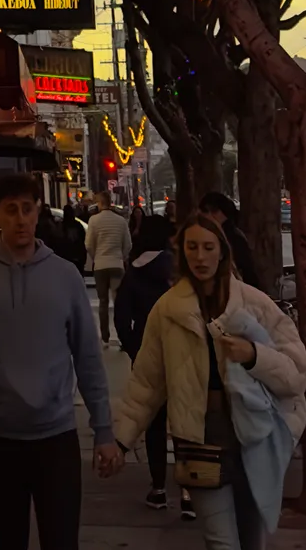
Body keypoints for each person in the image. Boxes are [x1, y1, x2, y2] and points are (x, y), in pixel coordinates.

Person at [0, 173, 124, 550]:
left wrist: (104, 430)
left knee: (61, 540)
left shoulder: (65, 276)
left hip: (56, 437)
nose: (21, 219)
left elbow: (88, 358)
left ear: (39, 211)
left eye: (27, 209)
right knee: (9, 540)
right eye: (11, 210)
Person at [112, 214, 306, 550]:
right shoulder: (168, 310)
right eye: (192, 247)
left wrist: (253, 355)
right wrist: (120, 440)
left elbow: (297, 373)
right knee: (221, 543)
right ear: (181, 252)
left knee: (252, 540)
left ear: (222, 252)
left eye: (208, 247)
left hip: (254, 440)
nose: (200, 256)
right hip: (199, 441)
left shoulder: (255, 304)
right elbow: (146, 382)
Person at [113, 214, 193, 520]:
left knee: (154, 422)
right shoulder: (178, 270)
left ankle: (158, 487)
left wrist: (135, 347)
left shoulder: (133, 274)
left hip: (149, 355)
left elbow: (122, 317)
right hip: (182, 353)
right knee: (185, 422)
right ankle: (188, 491)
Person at [83, 195, 131, 343]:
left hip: (100, 265)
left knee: (103, 301)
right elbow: (128, 244)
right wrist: (121, 257)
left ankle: (105, 335)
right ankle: (122, 335)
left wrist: (96, 256)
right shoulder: (121, 221)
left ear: (99, 203)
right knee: (118, 302)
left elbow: (88, 244)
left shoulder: (94, 221)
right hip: (116, 264)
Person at [199, 189, 264, 289]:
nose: (208, 215)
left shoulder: (233, 237)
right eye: (205, 211)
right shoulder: (203, 233)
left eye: (213, 211)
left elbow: (247, 271)